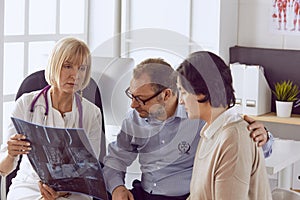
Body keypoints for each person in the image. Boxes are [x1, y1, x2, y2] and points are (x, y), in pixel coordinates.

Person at [103, 58, 274, 200]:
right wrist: (117, 188)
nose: (133, 105)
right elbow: (115, 160)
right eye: (131, 95)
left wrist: (262, 138)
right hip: (147, 193)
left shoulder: (201, 116)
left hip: (187, 195)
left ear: (166, 95)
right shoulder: (134, 119)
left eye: (140, 99)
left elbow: (244, 149)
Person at [0, 37, 103, 200]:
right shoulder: (26, 104)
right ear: (54, 65)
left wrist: (61, 191)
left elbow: (90, 169)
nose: (75, 75)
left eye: (82, 68)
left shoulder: (91, 113)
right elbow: (3, 169)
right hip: (30, 186)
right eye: (68, 66)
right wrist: (11, 154)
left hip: (74, 191)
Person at [176, 51, 272, 199]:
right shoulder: (210, 131)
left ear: (201, 92)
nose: (181, 101)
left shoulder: (234, 138)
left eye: (183, 92)